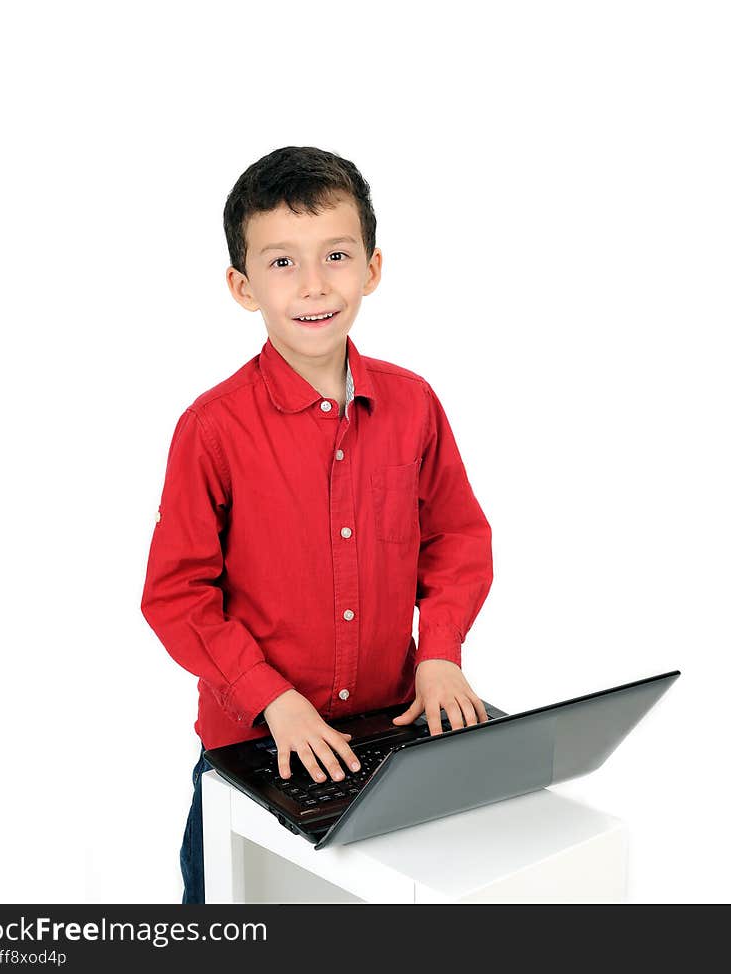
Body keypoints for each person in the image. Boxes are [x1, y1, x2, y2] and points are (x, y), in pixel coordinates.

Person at [140, 146, 494, 903]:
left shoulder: (415, 405)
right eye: (281, 263)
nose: (312, 285)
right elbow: (178, 596)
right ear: (241, 286)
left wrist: (440, 653)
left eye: (335, 255)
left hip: (386, 731)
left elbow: (457, 538)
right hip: (255, 744)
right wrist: (274, 699)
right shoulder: (211, 429)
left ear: (370, 268)